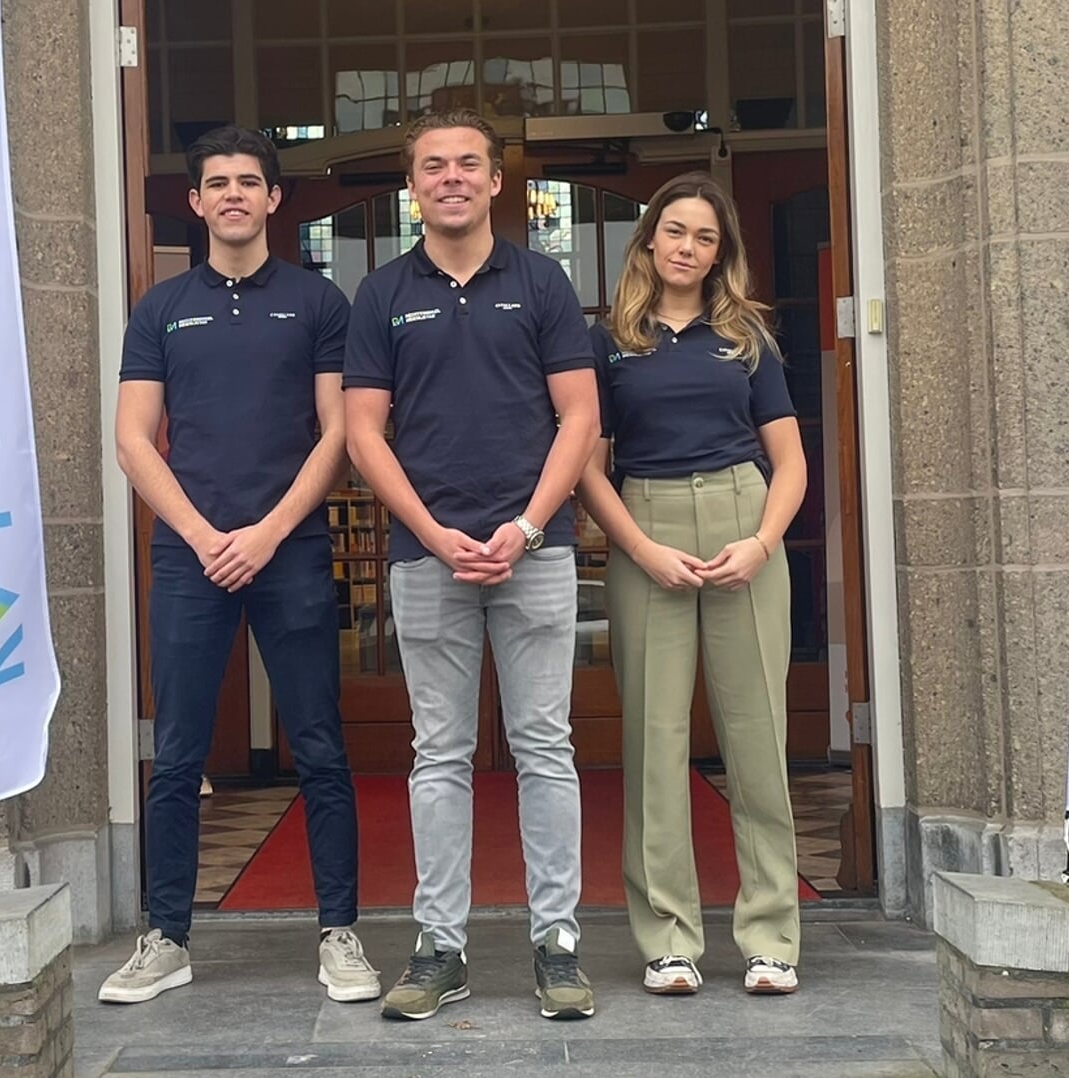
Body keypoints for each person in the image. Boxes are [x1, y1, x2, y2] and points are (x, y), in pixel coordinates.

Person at [106, 125, 377, 1006]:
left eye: (248, 182)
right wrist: (200, 533)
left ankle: (339, 932)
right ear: (195, 202)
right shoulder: (159, 308)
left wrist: (264, 532)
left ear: (272, 199)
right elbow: (133, 440)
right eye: (216, 182)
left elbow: (338, 433)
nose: (232, 194)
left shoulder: (317, 302)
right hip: (189, 557)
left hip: (290, 547)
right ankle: (165, 938)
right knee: (178, 752)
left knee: (320, 747)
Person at [342, 108, 601, 1022]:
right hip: (425, 555)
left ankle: (556, 946)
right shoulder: (380, 295)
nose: (449, 177)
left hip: (533, 556)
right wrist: (432, 529)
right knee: (438, 756)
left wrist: (526, 528)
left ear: (497, 182)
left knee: (545, 750)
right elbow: (362, 432)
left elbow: (578, 416)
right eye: (431, 166)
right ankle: (439, 947)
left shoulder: (541, 282)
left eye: (466, 165)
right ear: (413, 187)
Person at [575, 172, 807, 996]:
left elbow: (788, 461)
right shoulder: (607, 342)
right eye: (673, 231)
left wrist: (761, 542)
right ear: (647, 241)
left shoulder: (747, 339)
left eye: (704, 237)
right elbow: (587, 465)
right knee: (654, 742)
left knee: (755, 738)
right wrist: (636, 546)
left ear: (721, 254)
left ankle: (770, 936)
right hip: (648, 530)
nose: (686, 247)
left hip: (744, 522)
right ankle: (668, 940)